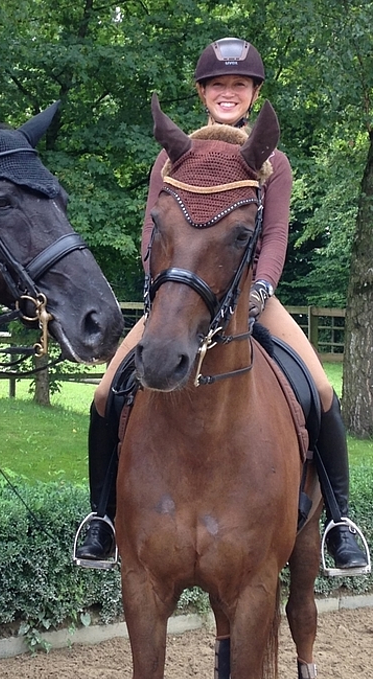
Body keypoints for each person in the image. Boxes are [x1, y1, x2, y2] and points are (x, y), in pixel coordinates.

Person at [74, 37, 369, 575]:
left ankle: (340, 521)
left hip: (252, 292)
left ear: (253, 93)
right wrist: (156, 288)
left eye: (238, 84)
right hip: (184, 293)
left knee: (321, 389)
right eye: (217, 84)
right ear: (203, 92)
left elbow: (275, 234)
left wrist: (261, 291)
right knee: (103, 392)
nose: (227, 93)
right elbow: (153, 230)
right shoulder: (173, 156)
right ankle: (102, 517)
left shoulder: (271, 160)